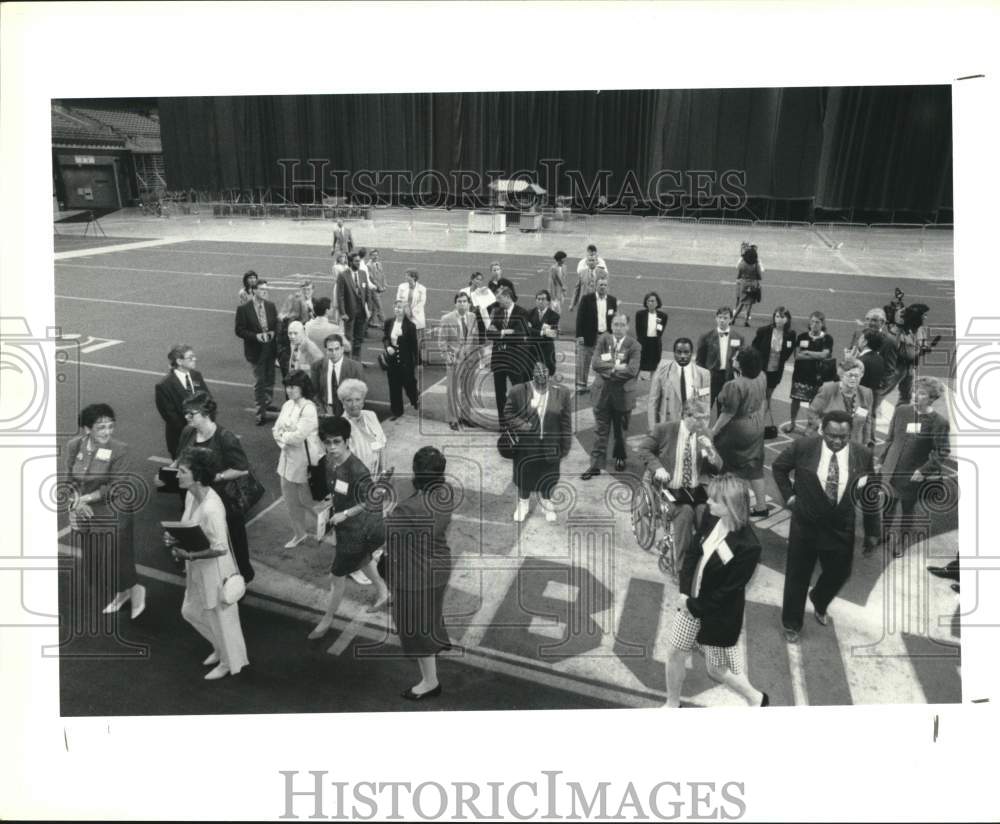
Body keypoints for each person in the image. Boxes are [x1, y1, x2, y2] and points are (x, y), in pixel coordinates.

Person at [773, 410, 880, 643]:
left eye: (843, 437)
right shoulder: (804, 447)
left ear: (850, 433)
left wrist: (873, 532)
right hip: (806, 524)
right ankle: (791, 622)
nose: (837, 442)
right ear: (823, 430)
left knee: (841, 572)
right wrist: (790, 497)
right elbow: (779, 467)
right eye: (832, 435)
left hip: (841, 526)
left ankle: (819, 599)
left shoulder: (863, 454)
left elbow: (870, 493)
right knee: (797, 576)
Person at [663, 474, 768, 708]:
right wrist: (684, 592)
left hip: (716, 615)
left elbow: (727, 592)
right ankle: (672, 705)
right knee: (675, 652)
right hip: (690, 602)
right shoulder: (710, 517)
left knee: (716, 670)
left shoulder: (749, 547)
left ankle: (757, 699)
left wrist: (693, 606)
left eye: (714, 500)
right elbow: (692, 553)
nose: (707, 503)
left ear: (730, 506)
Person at [164, 447, 249, 680]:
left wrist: (189, 555)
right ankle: (222, 649)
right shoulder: (192, 495)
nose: (177, 475)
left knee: (222, 619)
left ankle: (229, 662)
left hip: (215, 571)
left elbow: (220, 547)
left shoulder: (212, 508)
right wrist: (174, 537)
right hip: (198, 567)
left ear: (198, 475)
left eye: (182, 471)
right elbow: (191, 529)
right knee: (191, 611)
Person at [382, 445, 456, 699]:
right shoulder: (446, 493)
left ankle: (430, 682)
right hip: (437, 567)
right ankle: (434, 654)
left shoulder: (408, 508)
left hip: (415, 576)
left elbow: (382, 534)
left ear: (415, 472)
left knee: (416, 630)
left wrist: (384, 509)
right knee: (428, 619)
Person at [307, 416, 389, 639]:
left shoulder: (356, 469)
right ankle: (383, 592)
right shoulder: (328, 462)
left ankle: (327, 619)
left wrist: (345, 513)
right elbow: (337, 489)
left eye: (337, 442)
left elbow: (371, 500)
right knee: (362, 560)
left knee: (337, 575)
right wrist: (330, 503)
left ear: (347, 441)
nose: (332, 447)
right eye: (327, 442)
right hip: (345, 526)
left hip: (358, 529)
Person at [65, 403, 145, 618]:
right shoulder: (74, 446)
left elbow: (118, 486)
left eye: (110, 426)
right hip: (87, 514)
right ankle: (122, 592)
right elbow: (71, 479)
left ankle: (135, 590)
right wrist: (74, 504)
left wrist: (87, 498)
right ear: (87, 429)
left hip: (113, 514)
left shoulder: (119, 450)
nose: (107, 432)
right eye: (101, 427)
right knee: (96, 560)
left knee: (117, 559)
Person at [169, 394, 257, 583]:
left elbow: (242, 469)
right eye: (186, 414)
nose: (187, 418)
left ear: (206, 413)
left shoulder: (225, 438)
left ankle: (241, 578)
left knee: (233, 541)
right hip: (196, 495)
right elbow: (181, 457)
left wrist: (217, 476)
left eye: (191, 414)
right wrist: (168, 474)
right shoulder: (188, 432)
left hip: (224, 498)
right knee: (200, 536)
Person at [636, 398, 724, 571]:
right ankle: (682, 567)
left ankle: (705, 560)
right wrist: (658, 468)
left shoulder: (705, 434)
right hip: (669, 488)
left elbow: (719, 467)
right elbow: (643, 449)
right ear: (685, 415)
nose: (702, 423)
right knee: (685, 513)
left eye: (706, 418)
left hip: (694, 489)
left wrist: (711, 452)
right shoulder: (665, 430)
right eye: (698, 418)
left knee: (705, 513)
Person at [877, 376, 950, 558]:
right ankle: (884, 533)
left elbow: (942, 451)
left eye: (922, 393)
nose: (916, 396)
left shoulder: (938, 422)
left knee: (907, 510)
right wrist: (882, 460)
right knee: (887, 505)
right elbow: (890, 438)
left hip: (912, 474)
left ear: (932, 398)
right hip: (891, 468)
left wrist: (924, 470)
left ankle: (901, 542)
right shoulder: (902, 410)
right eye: (916, 391)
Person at [504, 358, 573, 523]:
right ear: (531, 373)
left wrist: (566, 445)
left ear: (550, 373)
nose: (542, 375)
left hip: (551, 444)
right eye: (537, 371)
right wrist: (523, 425)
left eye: (545, 371)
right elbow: (508, 414)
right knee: (525, 476)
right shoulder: (518, 391)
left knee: (548, 476)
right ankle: (523, 504)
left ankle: (546, 502)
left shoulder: (562, 392)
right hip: (527, 445)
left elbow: (566, 422)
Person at [712, 348, 770, 517]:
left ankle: (731, 506)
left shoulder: (734, 385)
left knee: (728, 468)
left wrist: (713, 432)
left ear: (742, 364)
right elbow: (763, 401)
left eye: (736, 358)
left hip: (738, 429)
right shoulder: (762, 376)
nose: (733, 359)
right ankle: (761, 506)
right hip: (757, 424)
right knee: (755, 468)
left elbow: (727, 413)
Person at [582, 312, 641, 478]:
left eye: (622, 325)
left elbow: (632, 370)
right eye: (616, 324)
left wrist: (607, 369)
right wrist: (615, 369)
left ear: (628, 327)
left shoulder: (634, 346)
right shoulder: (603, 340)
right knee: (600, 431)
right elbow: (595, 363)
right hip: (602, 393)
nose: (618, 328)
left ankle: (620, 456)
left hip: (623, 396)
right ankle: (595, 465)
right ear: (611, 325)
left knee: (620, 431)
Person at [272, 370, 323, 549]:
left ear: (303, 387)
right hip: (285, 461)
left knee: (309, 502)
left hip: (304, 463)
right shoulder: (287, 405)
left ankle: (328, 529)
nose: (289, 390)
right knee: (290, 501)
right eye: (287, 386)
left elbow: (299, 436)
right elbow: (275, 430)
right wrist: (285, 437)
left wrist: (284, 436)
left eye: (293, 386)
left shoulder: (308, 408)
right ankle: (299, 533)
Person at [154, 343, 212, 459]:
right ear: (179, 361)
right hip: (181, 438)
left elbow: (209, 399)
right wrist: (192, 427)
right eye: (190, 357)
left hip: (203, 434)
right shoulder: (164, 386)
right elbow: (170, 416)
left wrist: (207, 423)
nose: (195, 359)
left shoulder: (196, 375)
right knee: (182, 472)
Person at [234, 278, 278, 425]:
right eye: (262, 289)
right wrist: (256, 336)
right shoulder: (244, 309)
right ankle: (260, 413)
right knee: (260, 381)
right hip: (255, 350)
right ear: (253, 291)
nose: (265, 292)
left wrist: (273, 333)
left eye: (266, 289)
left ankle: (267, 402)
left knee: (270, 379)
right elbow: (239, 330)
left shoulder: (271, 306)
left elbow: (276, 324)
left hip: (270, 348)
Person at [486, 286, 532, 427]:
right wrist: (505, 332)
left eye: (499, 298)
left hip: (515, 359)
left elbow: (520, 336)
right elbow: (489, 334)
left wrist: (499, 334)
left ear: (507, 297)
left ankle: (519, 420)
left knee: (518, 391)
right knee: (500, 393)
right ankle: (503, 423)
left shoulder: (522, 312)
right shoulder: (497, 312)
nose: (497, 301)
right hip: (499, 359)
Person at [438, 291, 484, 430]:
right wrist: (447, 357)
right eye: (459, 301)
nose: (462, 304)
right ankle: (452, 418)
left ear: (468, 304)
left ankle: (466, 416)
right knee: (452, 390)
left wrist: (478, 356)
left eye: (464, 301)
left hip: (470, 359)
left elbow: (474, 338)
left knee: (467, 389)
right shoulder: (447, 318)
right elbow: (442, 341)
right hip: (454, 360)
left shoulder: (472, 316)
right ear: (455, 303)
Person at [784, 311, 834, 433]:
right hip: (800, 375)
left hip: (817, 376)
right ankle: (792, 423)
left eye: (817, 322)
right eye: (812, 321)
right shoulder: (802, 337)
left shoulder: (827, 338)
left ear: (822, 324)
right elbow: (797, 356)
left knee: (813, 404)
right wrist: (815, 355)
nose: (814, 324)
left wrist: (807, 353)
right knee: (795, 400)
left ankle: (809, 425)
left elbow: (825, 355)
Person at [806, 357, 875, 445]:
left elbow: (867, 421)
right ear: (841, 375)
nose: (853, 379)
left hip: (853, 442)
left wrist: (866, 443)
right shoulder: (828, 389)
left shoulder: (866, 393)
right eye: (850, 375)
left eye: (857, 376)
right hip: (828, 440)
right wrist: (822, 426)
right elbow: (812, 412)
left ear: (861, 375)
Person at [647, 337, 712, 428]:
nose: (682, 356)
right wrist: (653, 430)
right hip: (668, 425)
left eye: (686, 352)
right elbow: (653, 403)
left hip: (691, 426)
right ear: (674, 353)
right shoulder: (662, 372)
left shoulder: (703, 374)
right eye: (679, 352)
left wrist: (702, 428)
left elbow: (705, 404)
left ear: (691, 353)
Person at [574, 275, 618, 395]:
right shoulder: (587, 299)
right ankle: (581, 385)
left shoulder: (612, 300)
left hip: (605, 337)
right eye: (601, 285)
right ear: (595, 286)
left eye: (605, 285)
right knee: (584, 361)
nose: (603, 287)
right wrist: (579, 336)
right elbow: (580, 319)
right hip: (589, 335)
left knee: (605, 361)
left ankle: (603, 385)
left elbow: (614, 320)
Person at [695, 306, 747, 407]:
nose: (722, 320)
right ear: (716, 318)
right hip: (710, 377)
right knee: (704, 407)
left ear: (731, 319)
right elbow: (699, 361)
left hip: (728, 379)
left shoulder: (739, 337)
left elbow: (741, 360)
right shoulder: (706, 337)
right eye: (720, 317)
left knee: (724, 409)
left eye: (725, 318)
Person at [338, 378, 387, 477]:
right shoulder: (341, 425)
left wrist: (383, 471)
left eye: (357, 399)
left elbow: (382, 444)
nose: (354, 404)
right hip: (357, 478)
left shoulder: (371, 415)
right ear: (342, 403)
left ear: (363, 401)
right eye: (349, 400)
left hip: (377, 473)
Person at [750, 306, 796, 409]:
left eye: (782, 317)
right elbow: (754, 347)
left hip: (776, 369)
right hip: (762, 368)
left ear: (787, 319)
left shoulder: (791, 334)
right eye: (777, 316)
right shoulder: (763, 331)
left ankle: (764, 414)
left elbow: (789, 351)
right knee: (759, 393)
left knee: (768, 394)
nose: (779, 319)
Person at [383, 299, 420, 420]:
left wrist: (418, 361)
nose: (397, 310)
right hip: (392, 361)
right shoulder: (389, 322)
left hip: (406, 361)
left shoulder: (410, 326)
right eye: (396, 307)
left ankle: (414, 398)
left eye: (400, 308)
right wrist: (388, 346)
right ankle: (397, 411)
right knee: (394, 386)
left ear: (405, 310)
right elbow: (385, 338)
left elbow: (414, 345)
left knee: (409, 384)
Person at [311, 333, 365, 419]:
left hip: (348, 412)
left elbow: (361, 394)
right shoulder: (317, 366)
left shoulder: (355, 367)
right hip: (325, 411)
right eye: (330, 350)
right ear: (326, 350)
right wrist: (321, 410)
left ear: (342, 349)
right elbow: (314, 391)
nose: (334, 353)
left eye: (337, 349)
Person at [880, 303, 925, 406]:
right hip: (898, 366)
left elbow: (918, 344)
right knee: (881, 393)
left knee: (906, 396)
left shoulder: (917, 329)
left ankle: (899, 418)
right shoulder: (897, 331)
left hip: (909, 367)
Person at [338, 253, 370, 359]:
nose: (358, 263)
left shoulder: (363, 273)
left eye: (359, 261)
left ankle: (357, 360)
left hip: (361, 312)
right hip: (349, 312)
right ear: (350, 262)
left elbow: (367, 292)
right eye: (356, 261)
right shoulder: (343, 275)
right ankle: (347, 360)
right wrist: (343, 313)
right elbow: (340, 296)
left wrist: (368, 308)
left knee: (359, 338)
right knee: (348, 338)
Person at [396, 268, 428, 363]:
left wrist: (412, 312)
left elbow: (421, 303)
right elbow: (398, 299)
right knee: (404, 337)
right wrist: (405, 310)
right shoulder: (401, 287)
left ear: (413, 277)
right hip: (404, 315)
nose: (406, 277)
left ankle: (418, 358)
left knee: (417, 339)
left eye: (408, 275)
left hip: (416, 317)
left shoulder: (422, 289)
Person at [526, 289, 560, 377]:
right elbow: (527, 330)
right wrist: (542, 332)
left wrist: (533, 330)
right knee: (528, 374)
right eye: (538, 299)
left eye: (543, 299)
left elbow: (552, 334)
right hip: (532, 348)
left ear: (548, 301)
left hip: (546, 350)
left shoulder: (554, 316)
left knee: (548, 373)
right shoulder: (529, 313)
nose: (540, 301)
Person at [635, 291, 669, 378]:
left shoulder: (663, 316)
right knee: (638, 365)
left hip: (655, 344)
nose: (651, 303)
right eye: (649, 301)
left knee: (654, 367)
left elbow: (661, 331)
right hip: (643, 343)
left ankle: (652, 386)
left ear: (657, 303)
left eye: (653, 301)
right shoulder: (640, 314)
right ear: (646, 303)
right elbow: (638, 330)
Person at [732, 242, 764, 327]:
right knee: (750, 304)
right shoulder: (755, 265)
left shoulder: (742, 264)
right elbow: (759, 276)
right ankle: (746, 320)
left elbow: (739, 273)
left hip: (744, 284)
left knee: (742, 303)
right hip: (753, 285)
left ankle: (733, 319)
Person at [570, 244, 609, 310]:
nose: (591, 262)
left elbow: (605, 286)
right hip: (584, 301)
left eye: (593, 259)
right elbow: (577, 288)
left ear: (596, 261)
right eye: (590, 260)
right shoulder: (582, 267)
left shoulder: (602, 266)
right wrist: (572, 304)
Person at [461, 271, 496, 341]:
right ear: (472, 279)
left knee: (481, 324)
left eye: (480, 280)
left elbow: (485, 308)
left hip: (478, 315)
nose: (479, 281)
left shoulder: (482, 291)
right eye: (477, 279)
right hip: (466, 315)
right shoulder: (463, 291)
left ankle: (481, 341)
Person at [366, 248, 386, 328]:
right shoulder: (368, 266)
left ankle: (370, 322)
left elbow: (382, 274)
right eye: (373, 255)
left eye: (377, 255)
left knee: (373, 306)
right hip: (373, 288)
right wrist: (379, 287)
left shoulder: (379, 263)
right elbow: (372, 278)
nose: (376, 256)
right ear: (370, 256)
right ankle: (383, 323)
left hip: (379, 287)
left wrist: (384, 284)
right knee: (379, 306)